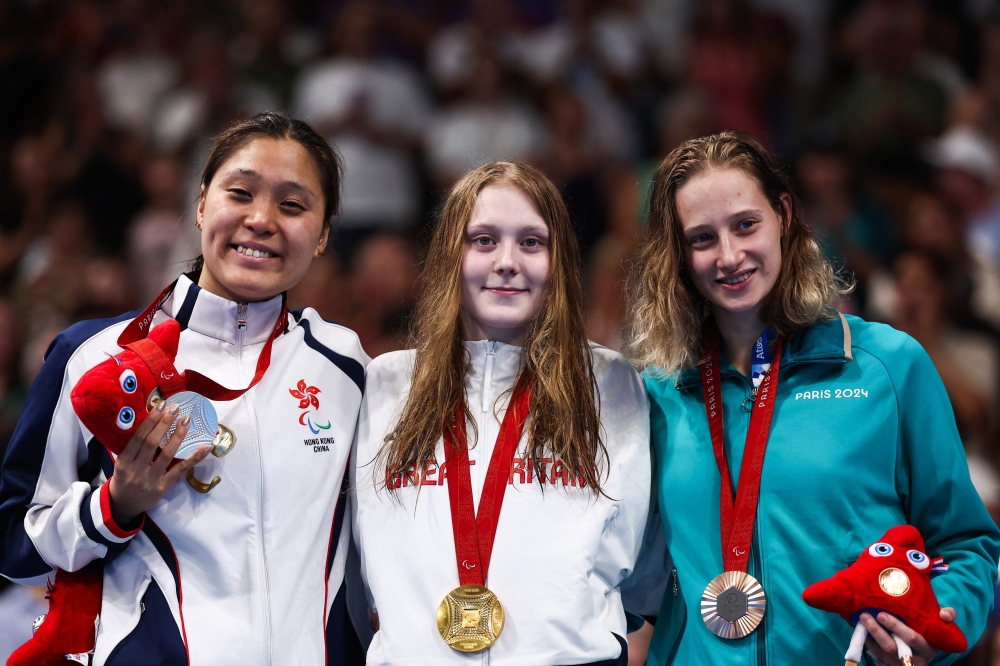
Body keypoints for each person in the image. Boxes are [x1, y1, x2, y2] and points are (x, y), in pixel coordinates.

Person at [0, 112, 369, 665]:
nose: (261, 220)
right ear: (201, 204)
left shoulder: (347, 365)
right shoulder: (92, 355)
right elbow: (14, 544)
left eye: (292, 206)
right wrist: (113, 507)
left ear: (323, 236)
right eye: (240, 193)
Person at [621, 130, 1000, 665]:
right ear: (678, 254)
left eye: (745, 225)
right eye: (702, 238)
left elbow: (967, 542)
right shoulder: (658, 392)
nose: (729, 256)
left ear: (784, 214)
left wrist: (931, 630)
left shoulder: (886, 365)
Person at [350, 161, 650, 664]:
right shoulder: (385, 383)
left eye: (532, 242)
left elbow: (638, 566)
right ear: (450, 254)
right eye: (483, 240)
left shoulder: (610, 384)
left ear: (558, 261)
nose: (507, 261)